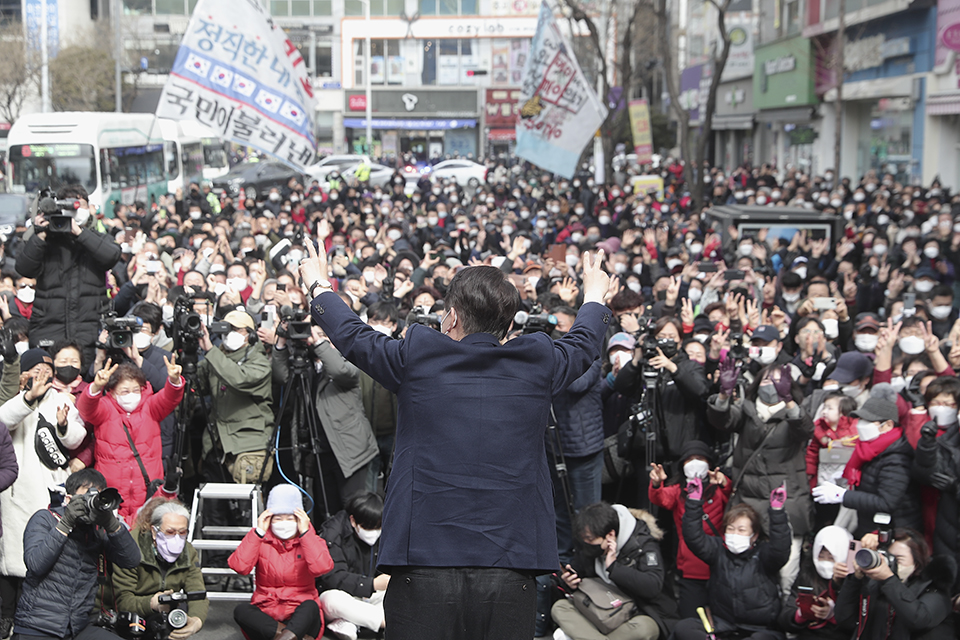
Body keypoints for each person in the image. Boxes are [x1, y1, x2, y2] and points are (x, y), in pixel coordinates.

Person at [298, 223, 614, 640]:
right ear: (506, 324)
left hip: (423, 559)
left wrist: (319, 285)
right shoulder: (538, 360)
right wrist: (592, 295)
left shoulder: (419, 354)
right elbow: (585, 341)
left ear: (453, 316)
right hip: (508, 561)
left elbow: (355, 338)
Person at [708, 359, 814, 594]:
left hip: (787, 504)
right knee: (748, 572)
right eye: (767, 378)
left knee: (786, 572)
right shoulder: (746, 410)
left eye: (778, 380)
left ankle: (786, 624)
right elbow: (722, 420)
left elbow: (805, 429)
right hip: (749, 502)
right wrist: (724, 394)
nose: (771, 384)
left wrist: (788, 400)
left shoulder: (793, 412)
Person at [0, 349, 87, 604]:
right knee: (12, 558)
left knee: (44, 553)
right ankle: (6, 616)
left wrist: (63, 427)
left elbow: (77, 438)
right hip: (16, 490)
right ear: (24, 373)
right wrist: (27, 397)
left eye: (48, 374)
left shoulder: (61, 399)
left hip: (50, 487)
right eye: (37, 372)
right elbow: (3, 422)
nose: (42, 378)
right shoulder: (13, 398)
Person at [12, 468, 141, 640]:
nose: (93, 501)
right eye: (88, 495)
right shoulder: (46, 519)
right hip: (38, 625)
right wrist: (66, 523)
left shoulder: (97, 531)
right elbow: (35, 565)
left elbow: (132, 560)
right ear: (68, 499)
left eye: (98, 497)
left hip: (77, 627)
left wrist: (111, 524)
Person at [272, 321, 377, 518]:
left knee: (352, 508)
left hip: (349, 451)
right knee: (324, 508)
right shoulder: (306, 365)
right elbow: (281, 376)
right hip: (319, 450)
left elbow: (341, 372)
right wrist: (281, 341)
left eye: (324, 334)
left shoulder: (348, 359)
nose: (315, 338)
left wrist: (320, 341)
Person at [15, 185, 122, 363]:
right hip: (49, 330)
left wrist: (79, 233)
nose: (75, 210)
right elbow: (24, 268)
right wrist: (40, 235)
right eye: (70, 206)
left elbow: (110, 256)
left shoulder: (98, 238)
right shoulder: (46, 241)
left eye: (80, 205)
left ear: (89, 208)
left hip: (89, 331)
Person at [673, 482, 791, 640]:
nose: (735, 534)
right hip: (723, 624)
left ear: (754, 535)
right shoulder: (718, 550)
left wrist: (777, 512)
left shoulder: (764, 554)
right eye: (730, 528)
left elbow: (780, 549)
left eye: (741, 530)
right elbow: (694, 538)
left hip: (760, 629)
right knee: (684, 627)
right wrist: (693, 502)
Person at [76, 356, 184, 524]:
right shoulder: (105, 407)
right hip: (112, 494)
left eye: (136, 390)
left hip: (147, 491)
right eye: (125, 391)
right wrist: (96, 385)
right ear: (112, 391)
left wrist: (174, 380)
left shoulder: (151, 406)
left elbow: (169, 398)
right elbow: (85, 408)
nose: (131, 395)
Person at [553, 502, 678, 640]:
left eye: (590, 539)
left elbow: (652, 586)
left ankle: (582, 636)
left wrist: (614, 567)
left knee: (645, 628)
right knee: (560, 607)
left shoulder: (643, 546)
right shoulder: (591, 544)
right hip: (600, 607)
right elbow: (578, 570)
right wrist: (569, 582)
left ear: (610, 535)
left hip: (632, 614)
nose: (587, 544)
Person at [811, 384, 921, 537]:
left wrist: (843, 495)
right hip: (870, 524)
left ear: (887, 425)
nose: (861, 425)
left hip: (894, 529)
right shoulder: (868, 448)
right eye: (860, 419)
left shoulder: (896, 457)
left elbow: (887, 502)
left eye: (868, 421)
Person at [229, 484, 334, 640]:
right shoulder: (260, 540)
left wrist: (306, 534)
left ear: (300, 518)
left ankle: (286, 637)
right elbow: (239, 566)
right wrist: (258, 532)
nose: (284, 522)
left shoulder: (312, 540)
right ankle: (290, 637)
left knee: (310, 607)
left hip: (301, 618)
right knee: (241, 610)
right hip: (268, 616)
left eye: (290, 518)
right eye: (278, 518)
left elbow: (322, 568)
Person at [648, 441, 731, 619]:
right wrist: (656, 484)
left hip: (719, 565)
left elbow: (731, 495)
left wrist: (723, 482)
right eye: (689, 459)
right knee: (690, 619)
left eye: (700, 458)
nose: (695, 463)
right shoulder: (679, 491)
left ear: (709, 463)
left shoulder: (718, 487)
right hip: (691, 566)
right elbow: (661, 498)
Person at [109, 498, 207, 640]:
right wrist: (152, 603)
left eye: (182, 532)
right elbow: (122, 600)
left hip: (167, 610)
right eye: (170, 532)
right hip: (133, 614)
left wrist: (196, 621)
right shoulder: (130, 549)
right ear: (154, 532)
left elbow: (198, 593)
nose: (177, 538)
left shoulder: (188, 552)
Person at [834, 529, 955, 639]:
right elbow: (844, 619)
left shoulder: (934, 589)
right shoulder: (874, 585)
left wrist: (889, 580)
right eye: (888, 556)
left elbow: (919, 620)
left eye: (898, 559)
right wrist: (855, 579)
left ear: (916, 563)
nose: (891, 563)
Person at [197, 309, 273, 484]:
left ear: (251, 335)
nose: (230, 334)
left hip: (248, 446)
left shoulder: (259, 362)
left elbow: (238, 378)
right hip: (216, 443)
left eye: (236, 329)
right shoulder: (216, 357)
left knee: (245, 508)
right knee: (214, 508)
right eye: (227, 329)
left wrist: (210, 350)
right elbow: (197, 386)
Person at [318, 492, 387, 640]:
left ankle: (350, 622)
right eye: (368, 527)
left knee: (394, 593)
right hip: (342, 595)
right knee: (332, 600)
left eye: (378, 527)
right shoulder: (333, 534)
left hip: (370, 597)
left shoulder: (385, 533)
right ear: (353, 521)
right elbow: (333, 577)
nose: (373, 533)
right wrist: (373, 584)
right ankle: (384, 622)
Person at [778, 525, 852, 640]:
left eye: (831, 558)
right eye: (821, 557)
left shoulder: (854, 580)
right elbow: (785, 618)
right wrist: (801, 614)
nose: (825, 562)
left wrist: (833, 614)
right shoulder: (807, 574)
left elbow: (861, 623)